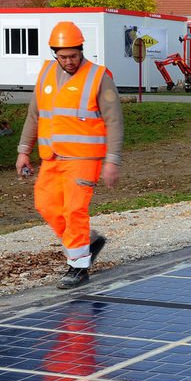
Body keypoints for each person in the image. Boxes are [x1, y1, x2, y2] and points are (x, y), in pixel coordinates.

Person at [15, 21, 123, 289]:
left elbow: (115, 122)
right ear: (55, 54)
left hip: (84, 159)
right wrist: (23, 151)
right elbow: (34, 115)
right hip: (51, 157)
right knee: (46, 206)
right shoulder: (46, 73)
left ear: (81, 50)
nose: (69, 61)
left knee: (74, 210)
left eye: (73, 55)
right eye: (63, 56)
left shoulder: (99, 77)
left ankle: (77, 267)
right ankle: (87, 242)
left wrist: (112, 160)